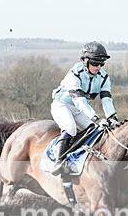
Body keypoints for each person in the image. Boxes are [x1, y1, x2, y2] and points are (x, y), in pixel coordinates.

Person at [50, 41, 119, 174]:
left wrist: (112, 117)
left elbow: (106, 99)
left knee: (95, 130)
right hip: (62, 105)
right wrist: (96, 118)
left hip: (78, 109)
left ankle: (79, 157)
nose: (98, 66)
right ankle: (58, 162)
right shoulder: (74, 74)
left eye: (101, 63)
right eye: (95, 63)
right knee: (70, 128)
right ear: (85, 61)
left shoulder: (103, 76)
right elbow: (80, 100)